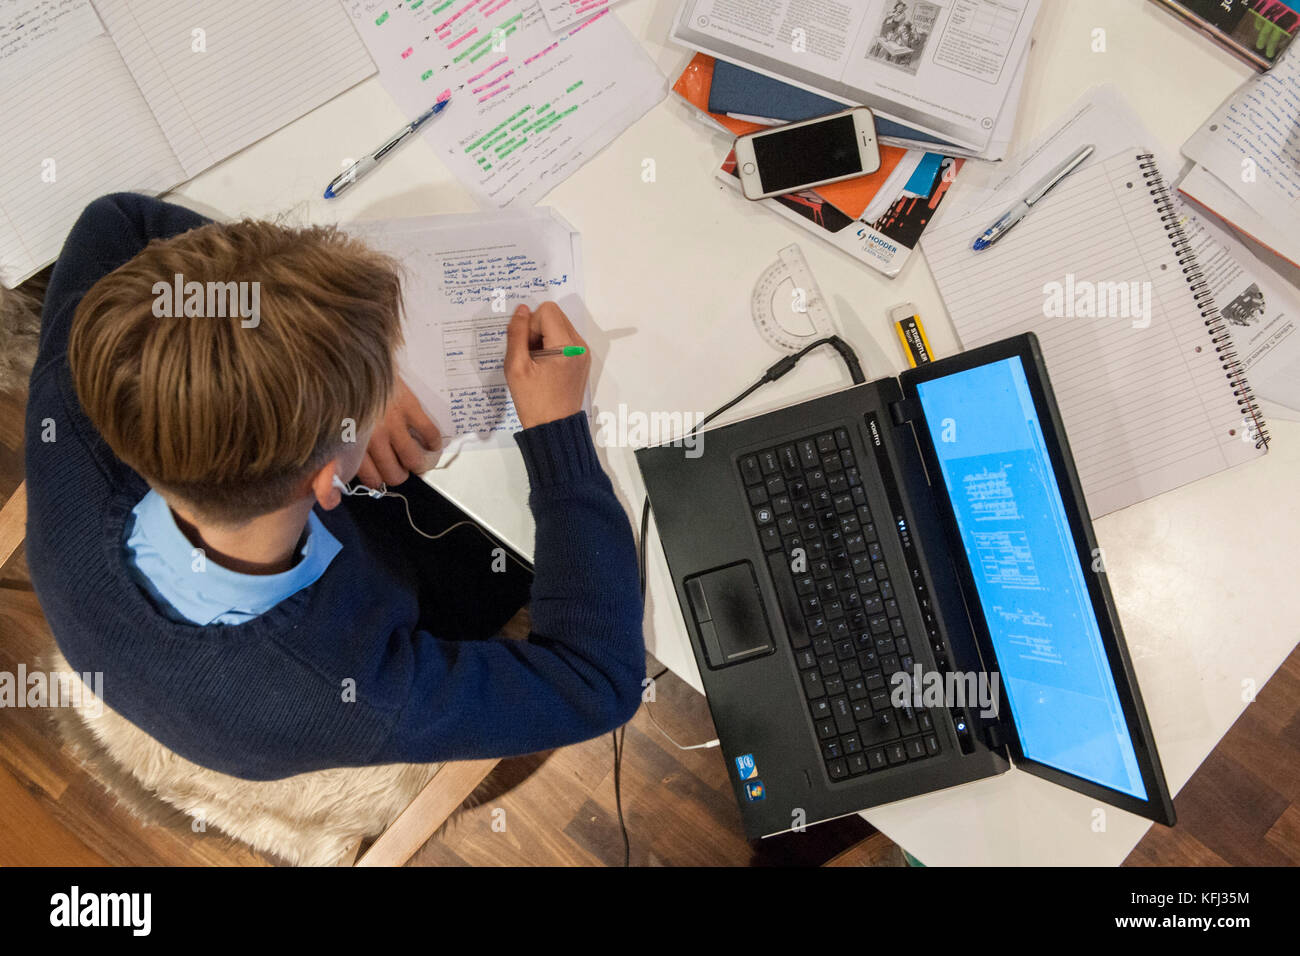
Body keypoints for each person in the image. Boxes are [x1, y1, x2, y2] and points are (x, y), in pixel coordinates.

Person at [24, 192, 646, 779]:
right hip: (318, 651)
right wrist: (558, 433)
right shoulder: (346, 691)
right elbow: (596, 681)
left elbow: (115, 220)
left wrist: (325, 375)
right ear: (329, 482)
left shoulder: (84, 404)